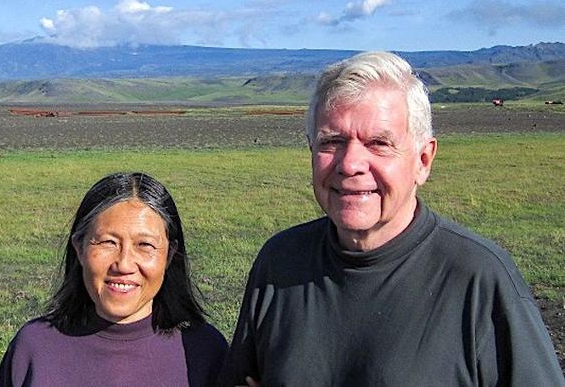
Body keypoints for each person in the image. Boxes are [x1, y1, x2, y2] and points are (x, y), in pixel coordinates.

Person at [219, 51, 564, 386]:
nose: (351, 163)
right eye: (332, 141)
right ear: (311, 150)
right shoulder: (280, 261)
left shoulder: (480, 280)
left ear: (423, 160)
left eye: (379, 143)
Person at [0, 172, 227, 387]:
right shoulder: (33, 348)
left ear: (169, 255)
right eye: (108, 242)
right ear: (79, 247)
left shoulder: (204, 351)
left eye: (144, 245)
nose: (124, 264)